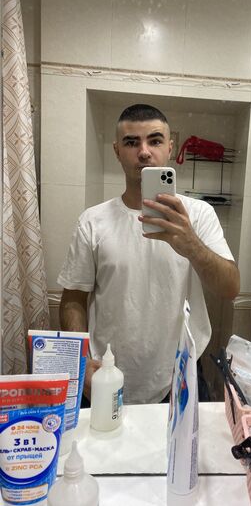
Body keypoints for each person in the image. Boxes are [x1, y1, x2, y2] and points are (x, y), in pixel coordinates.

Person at [57, 104, 240, 404]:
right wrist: (82, 361)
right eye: (131, 142)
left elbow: (230, 288)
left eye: (154, 140)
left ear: (170, 148)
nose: (143, 152)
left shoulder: (198, 214)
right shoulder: (93, 221)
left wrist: (191, 244)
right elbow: (73, 299)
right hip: (105, 373)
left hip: (180, 373)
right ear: (117, 151)